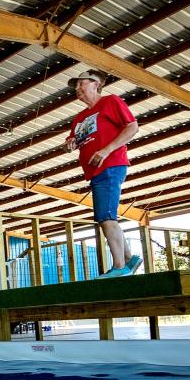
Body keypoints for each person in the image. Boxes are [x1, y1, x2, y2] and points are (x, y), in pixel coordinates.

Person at [64, 69, 141, 278]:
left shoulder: (110, 101)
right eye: (76, 86)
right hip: (94, 171)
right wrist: (70, 143)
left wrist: (106, 150)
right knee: (107, 215)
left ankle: (119, 268)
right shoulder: (79, 118)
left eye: (82, 84)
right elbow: (72, 141)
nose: (78, 89)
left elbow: (132, 127)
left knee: (105, 216)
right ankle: (129, 259)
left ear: (96, 84)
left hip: (111, 165)